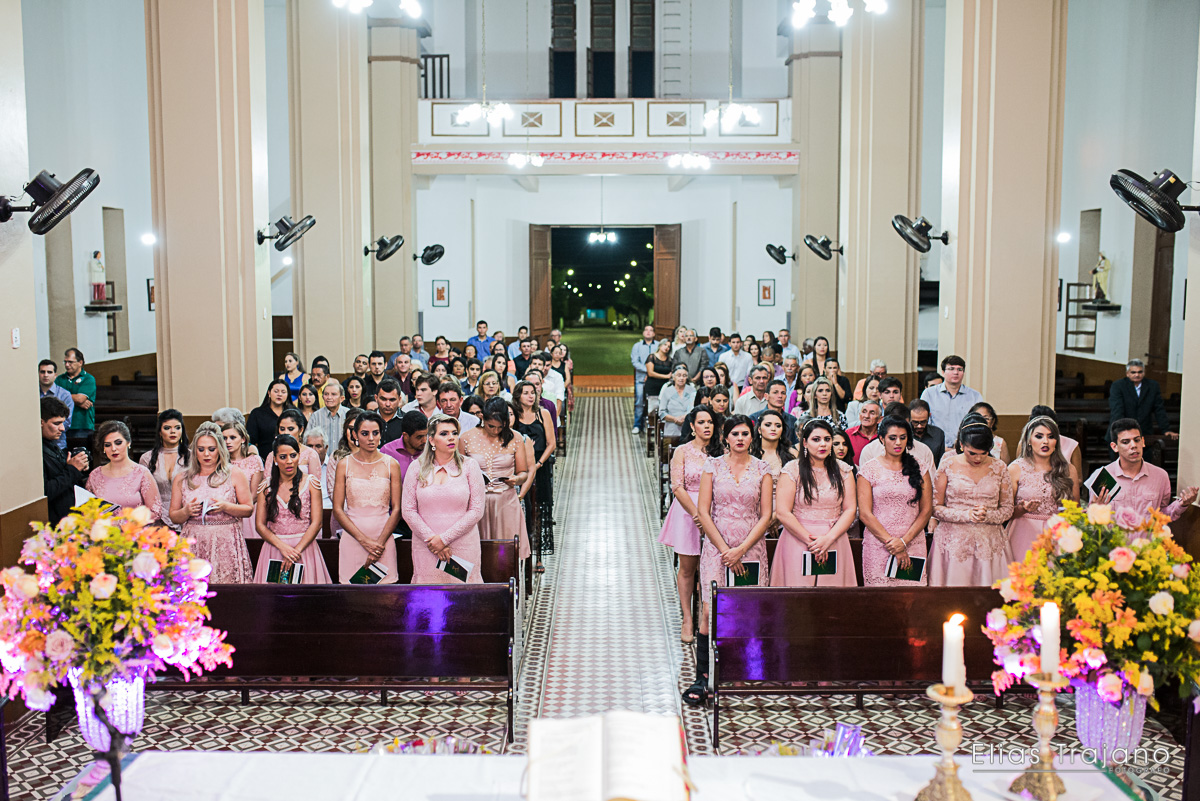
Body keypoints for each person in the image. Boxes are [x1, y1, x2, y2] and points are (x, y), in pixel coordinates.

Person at [686, 415, 773, 708]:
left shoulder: (763, 469)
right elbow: (703, 511)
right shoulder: (712, 466)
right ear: (725, 437)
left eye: (745, 433)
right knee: (710, 610)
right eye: (734, 433)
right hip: (717, 546)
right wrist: (725, 549)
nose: (740, 438)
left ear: (753, 437)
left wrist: (742, 549)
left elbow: (766, 515)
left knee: (746, 608)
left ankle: (743, 671)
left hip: (751, 548)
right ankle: (703, 676)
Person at [659, 407, 722, 645]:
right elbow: (677, 486)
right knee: (687, 567)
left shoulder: (721, 451)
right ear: (692, 426)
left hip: (716, 511)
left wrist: (708, 516)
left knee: (712, 567)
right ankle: (687, 617)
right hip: (688, 511)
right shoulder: (682, 452)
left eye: (710, 422)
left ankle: (707, 615)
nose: (707, 426)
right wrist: (698, 514)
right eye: (701, 422)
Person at [929, 414, 1015, 586]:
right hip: (953, 540)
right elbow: (935, 507)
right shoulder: (948, 464)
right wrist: (966, 514)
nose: (978, 458)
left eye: (984, 453)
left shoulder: (999, 467)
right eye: (972, 453)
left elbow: (1007, 509)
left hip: (989, 541)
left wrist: (988, 515)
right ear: (961, 445)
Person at [402, 413, 486, 584]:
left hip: (463, 545)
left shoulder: (470, 466)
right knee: (429, 601)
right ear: (431, 440)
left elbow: (477, 510)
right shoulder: (416, 468)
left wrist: (444, 539)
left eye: (454, 433)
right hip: (426, 547)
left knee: (463, 599)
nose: (451, 438)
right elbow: (408, 511)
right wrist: (433, 541)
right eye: (444, 433)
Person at [773, 419, 858, 587]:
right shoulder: (792, 469)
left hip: (834, 539)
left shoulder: (844, 470)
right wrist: (811, 541)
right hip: (798, 539)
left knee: (831, 599)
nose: (823, 444)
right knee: (798, 598)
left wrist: (828, 539)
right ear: (804, 442)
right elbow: (783, 511)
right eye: (816, 439)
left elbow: (850, 509)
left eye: (827, 439)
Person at [170, 422, 254, 583]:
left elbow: (248, 509)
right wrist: (186, 511)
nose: (206, 454)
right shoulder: (182, 478)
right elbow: (174, 516)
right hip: (193, 540)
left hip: (225, 541)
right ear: (195, 451)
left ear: (219, 450)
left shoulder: (234, 474)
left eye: (211, 449)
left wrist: (226, 506)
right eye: (201, 449)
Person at [857, 417, 933, 586]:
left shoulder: (921, 468)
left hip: (912, 541)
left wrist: (904, 541)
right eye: (892, 438)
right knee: (880, 600)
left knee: (911, 599)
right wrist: (892, 544)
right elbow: (865, 513)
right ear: (882, 439)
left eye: (903, 437)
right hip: (879, 544)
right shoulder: (869, 470)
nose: (898, 442)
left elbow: (926, 510)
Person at [333, 411, 403, 584]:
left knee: (385, 598)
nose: (371, 438)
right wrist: (363, 540)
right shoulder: (344, 464)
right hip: (353, 538)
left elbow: (397, 509)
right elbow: (337, 509)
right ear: (355, 435)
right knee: (352, 598)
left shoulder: (391, 464)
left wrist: (378, 544)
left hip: (383, 539)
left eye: (375, 433)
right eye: (365, 433)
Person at [252, 435, 331, 584]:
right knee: (275, 601)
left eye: (293, 456)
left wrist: (296, 551)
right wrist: (283, 548)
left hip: (304, 549)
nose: (289, 461)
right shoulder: (265, 487)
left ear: (299, 457)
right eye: (283, 457)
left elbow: (317, 523)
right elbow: (260, 525)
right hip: (275, 549)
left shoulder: (311, 483)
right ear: (275, 459)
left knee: (305, 600)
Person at [460, 398, 531, 561]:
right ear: (483, 419)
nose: (495, 431)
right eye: (491, 426)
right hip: (477, 502)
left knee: (506, 555)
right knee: (479, 552)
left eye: (500, 427)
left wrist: (517, 479)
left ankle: (508, 584)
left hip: (505, 501)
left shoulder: (516, 438)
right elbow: (459, 473)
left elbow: (523, 472)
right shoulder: (465, 438)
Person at [1088, 419, 1198, 521]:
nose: (1134, 446)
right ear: (1114, 447)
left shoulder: (1160, 476)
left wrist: (1182, 504)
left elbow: (1162, 515)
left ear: (1143, 442)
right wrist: (1095, 509)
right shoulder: (1102, 476)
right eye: (1126, 442)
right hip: (1115, 541)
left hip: (1147, 541)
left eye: (1137, 440)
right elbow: (1091, 519)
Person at [1006, 416, 1079, 561]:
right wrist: (1022, 508)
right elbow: (1005, 511)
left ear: (1056, 442)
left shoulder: (1068, 469)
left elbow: (1075, 508)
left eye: (1051, 437)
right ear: (1029, 441)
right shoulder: (1015, 468)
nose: (1045, 441)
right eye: (1039, 436)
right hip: (1024, 533)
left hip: (1057, 534)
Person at [41, 396, 89, 526]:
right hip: (53, 523)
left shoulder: (52, 444)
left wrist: (79, 467)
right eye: (56, 423)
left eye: (63, 422)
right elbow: (46, 492)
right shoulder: (36, 452)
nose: (62, 428)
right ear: (41, 422)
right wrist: (72, 469)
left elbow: (65, 478)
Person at [857, 403, 936, 477]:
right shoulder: (870, 450)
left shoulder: (923, 450)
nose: (898, 442)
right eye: (893, 437)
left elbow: (931, 484)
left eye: (903, 426)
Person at [139, 410, 189, 527]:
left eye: (177, 428)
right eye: (167, 428)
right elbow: (142, 492)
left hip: (185, 518)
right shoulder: (147, 458)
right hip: (156, 520)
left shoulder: (192, 457)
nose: (173, 432)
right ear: (160, 432)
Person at [1108, 358, 1176, 441]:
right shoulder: (1118, 386)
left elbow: (1159, 410)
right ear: (1127, 374)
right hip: (1121, 432)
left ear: (1144, 373)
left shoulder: (1153, 386)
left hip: (1144, 433)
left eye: (1140, 372)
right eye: (1133, 372)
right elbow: (1117, 410)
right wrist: (1121, 432)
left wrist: (1166, 429)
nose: (1137, 375)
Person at [919, 355, 982, 444]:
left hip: (965, 447)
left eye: (960, 369)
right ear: (943, 372)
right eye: (951, 369)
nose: (956, 372)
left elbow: (977, 424)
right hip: (935, 446)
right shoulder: (929, 394)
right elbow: (924, 423)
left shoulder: (975, 396)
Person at [56, 348, 97, 451]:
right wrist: (77, 402)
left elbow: (80, 398)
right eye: (65, 362)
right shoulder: (60, 379)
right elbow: (53, 397)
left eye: (70, 362)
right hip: (62, 425)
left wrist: (61, 396)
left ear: (80, 362)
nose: (66, 365)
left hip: (82, 425)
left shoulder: (88, 379)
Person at [1030, 405, 1082, 479]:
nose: (1045, 441)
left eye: (1050, 435)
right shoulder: (1025, 444)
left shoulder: (1072, 445)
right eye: (1039, 436)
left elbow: (1079, 479)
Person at [247, 379, 292, 456]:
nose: (279, 394)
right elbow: (250, 440)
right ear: (269, 393)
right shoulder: (257, 413)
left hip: (290, 457)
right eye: (276, 391)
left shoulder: (293, 413)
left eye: (283, 392)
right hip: (265, 457)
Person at [38, 359, 73, 450]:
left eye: (49, 372)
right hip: (36, 441)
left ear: (55, 375)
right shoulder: (32, 393)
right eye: (42, 372)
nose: (46, 375)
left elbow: (67, 421)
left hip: (58, 444)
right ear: (38, 374)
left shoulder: (64, 394)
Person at [750, 408, 796, 475]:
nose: (773, 429)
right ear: (759, 429)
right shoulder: (749, 453)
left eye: (778, 426)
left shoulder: (792, 453)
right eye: (768, 425)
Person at [310, 379, 348, 453]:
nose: (329, 397)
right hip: (321, 460)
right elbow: (308, 440)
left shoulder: (348, 414)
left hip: (345, 459)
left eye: (333, 394)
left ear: (342, 398)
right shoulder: (316, 416)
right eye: (326, 394)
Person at [658, 365, 696, 437]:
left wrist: (685, 417)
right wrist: (675, 419)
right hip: (671, 428)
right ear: (673, 377)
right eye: (679, 375)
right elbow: (662, 412)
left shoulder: (692, 390)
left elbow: (694, 409)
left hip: (689, 428)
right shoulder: (667, 391)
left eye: (684, 375)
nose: (681, 378)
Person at [643, 339, 674, 423]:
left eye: (669, 346)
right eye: (665, 345)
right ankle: (651, 427)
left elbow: (671, 373)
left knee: (663, 408)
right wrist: (666, 376)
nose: (666, 348)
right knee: (652, 409)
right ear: (660, 345)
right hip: (652, 386)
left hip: (664, 387)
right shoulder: (652, 357)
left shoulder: (670, 360)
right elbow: (650, 373)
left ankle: (661, 428)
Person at [909, 399, 945, 466]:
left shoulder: (938, 434)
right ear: (909, 418)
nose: (919, 426)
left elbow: (941, 463)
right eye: (915, 422)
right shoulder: (903, 433)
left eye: (923, 422)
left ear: (929, 416)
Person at [845, 400, 882, 465]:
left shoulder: (884, 437)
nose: (866, 416)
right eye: (864, 412)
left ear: (879, 419)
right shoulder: (848, 434)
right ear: (859, 416)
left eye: (872, 413)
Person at [373, 379, 405, 444]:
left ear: (399, 399)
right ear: (376, 398)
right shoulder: (367, 419)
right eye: (383, 399)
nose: (387, 404)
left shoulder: (407, 421)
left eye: (392, 400)